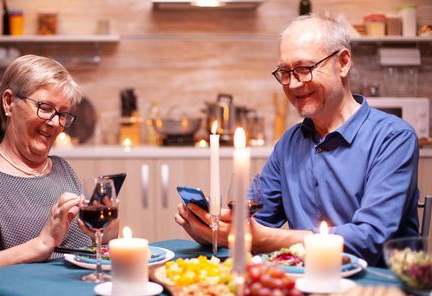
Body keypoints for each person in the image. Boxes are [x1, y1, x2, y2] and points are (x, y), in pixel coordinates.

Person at [175, 15, 420, 266]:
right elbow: (255, 224)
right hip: (302, 284)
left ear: (343, 63)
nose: (293, 84)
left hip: (376, 291)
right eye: (285, 72)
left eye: (304, 69)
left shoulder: (394, 138)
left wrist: (261, 238)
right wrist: (214, 230)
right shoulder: (290, 143)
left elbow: (369, 241)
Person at [0, 54, 117, 278]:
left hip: (76, 295)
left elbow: (84, 254)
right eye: (45, 107)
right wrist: (42, 244)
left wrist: (107, 236)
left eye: (63, 114)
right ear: (8, 102)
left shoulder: (62, 169)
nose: (55, 123)